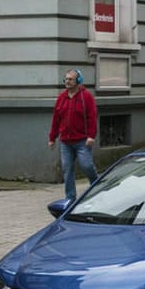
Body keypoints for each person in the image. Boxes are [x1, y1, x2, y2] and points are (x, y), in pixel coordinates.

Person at [49, 68, 99, 202]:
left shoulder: (86, 97)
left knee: (86, 166)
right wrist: (52, 138)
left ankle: (97, 187)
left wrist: (91, 136)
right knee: (67, 169)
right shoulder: (61, 98)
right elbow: (56, 119)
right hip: (66, 141)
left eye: (70, 79)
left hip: (82, 140)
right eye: (66, 79)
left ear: (79, 80)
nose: (67, 82)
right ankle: (70, 198)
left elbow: (92, 117)